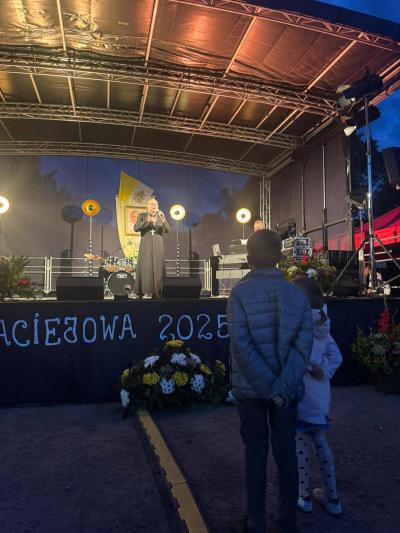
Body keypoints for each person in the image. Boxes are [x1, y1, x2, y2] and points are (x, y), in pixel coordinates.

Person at [227, 229, 313, 533]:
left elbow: (241, 346)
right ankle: (288, 523)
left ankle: (256, 522)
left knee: (255, 454)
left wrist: (267, 388)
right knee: (286, 453)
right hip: (286, 393)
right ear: (280, 257)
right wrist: (280, 389)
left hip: (251, 391)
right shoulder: (298, 295)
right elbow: (303, 348)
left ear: (249, 258)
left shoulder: (238, 294)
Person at [292, 276, 343, 516]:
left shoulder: (296, 325)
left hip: (301, 395)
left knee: (300, 448)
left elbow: (297, 354)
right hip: (321, 398)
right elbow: (336, 357)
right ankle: (333, 498)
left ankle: (304, 497)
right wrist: (323, 369)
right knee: (321, 445)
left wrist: (312, 365)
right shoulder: (324, 326)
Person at [134, 198, 170, 298]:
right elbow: (136, 228)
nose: (154, 206)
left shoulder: (160, 216)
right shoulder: (142, 215)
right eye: (152, 204)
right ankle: (145, 291)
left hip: (158, 245)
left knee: (158, 267)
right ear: (147, 206)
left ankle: (159, 291)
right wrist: (147, 221)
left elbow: (167, 230)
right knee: (146, 267)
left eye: (155, 204)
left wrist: (164, 219)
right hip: (146, 244)